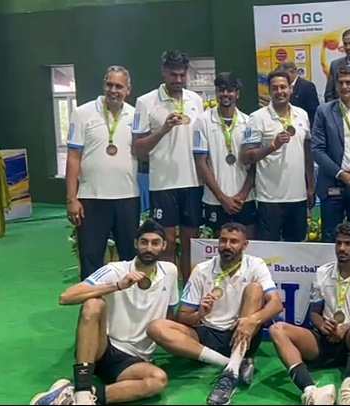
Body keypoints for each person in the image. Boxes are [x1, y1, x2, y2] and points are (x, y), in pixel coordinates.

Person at [31, 219, 179, 406]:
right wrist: (117, 285)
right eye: (144, 242)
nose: (149, 248)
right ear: (136, 244)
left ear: (164, 246)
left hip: (134, 360)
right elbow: (66, 297)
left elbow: (169, 314)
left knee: (158, 381)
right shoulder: (115, 270)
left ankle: (76, 396)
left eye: (155, 243)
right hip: (102, 348)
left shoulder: (170, 272)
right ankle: (83, 389)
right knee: (93, 304)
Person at [147, 222, 282, 405]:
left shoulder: (255, 265)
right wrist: (199, 314)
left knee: (255, 289)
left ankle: (230, 376)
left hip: (241, 333)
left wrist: (253, 320)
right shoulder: (202, 269)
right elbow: (183, 316)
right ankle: (232, 364)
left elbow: (276, 304)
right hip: (206, 334)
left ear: (245, 245)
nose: (227, 246)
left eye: (234, 241)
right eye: (223, 240)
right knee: (156, 327)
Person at [269, 222, 350, 405]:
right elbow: (314, 314)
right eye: (339, 243)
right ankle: (311, 391)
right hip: (325, 339)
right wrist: (322, 325)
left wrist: (348, 327)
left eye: (348, 244)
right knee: (277, 329)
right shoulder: (322, 273)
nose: (342, 248)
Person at [132, 50, 205, 283]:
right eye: (173, 74)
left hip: (193, 182)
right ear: (164, 72)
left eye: (182, 75)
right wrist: (163, 129)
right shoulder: (145, 102)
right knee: (167, 242)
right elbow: (138, 149)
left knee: (191, 242)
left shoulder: (196, 100)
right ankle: (167, 290)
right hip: (163, 184)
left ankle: (191, 291)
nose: (178, 80)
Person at [66, 66, 140, 280]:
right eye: (109, 85)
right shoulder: (82, 113)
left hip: (127, 197)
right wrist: (72, 198)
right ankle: (92, 300)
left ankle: (129, 300)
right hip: (91, 198)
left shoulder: (136, 115)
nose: (113, 90)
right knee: (91, 258)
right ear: (103, 85)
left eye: (119, 86)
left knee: (130, 258)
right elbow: (73, 157)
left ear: (128, 90)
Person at [241, 69, 315, 242]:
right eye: (275, 88)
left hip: (298, 197)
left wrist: (311, 186)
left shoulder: (302, 115)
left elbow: (307, 154)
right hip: (270, 198)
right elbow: (246, 156)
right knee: (269, 250)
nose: (279, 91)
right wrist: (272, 146)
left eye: (283, 87)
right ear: (269, 90)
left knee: (296, 249)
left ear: (291, 89)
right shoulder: (257, 118)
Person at [311, 66, 350, 243]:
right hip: (333, 182)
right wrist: (340, 174)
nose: (344, 87)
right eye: (341, 83)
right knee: (330, 238)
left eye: (349, 83)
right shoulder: (324, 111)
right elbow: (317, 150)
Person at [192, 72, 256, 238]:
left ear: (237, 94)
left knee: (247, 245)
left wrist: (242, 196)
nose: (225, 94)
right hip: (215, 200)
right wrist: (222, 198)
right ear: (216, 92)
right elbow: (201, 163)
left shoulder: (249, 122)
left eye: (230, 90)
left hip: (245, 200)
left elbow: (254, 164)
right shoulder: (202, 121)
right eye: (221, 90)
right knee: (220, 247)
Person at [280, 61, 320, 126]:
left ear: (291, 72)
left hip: (304, 125)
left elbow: (313, 111)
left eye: (283, 75)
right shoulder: (286, 87)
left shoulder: (306, 86)